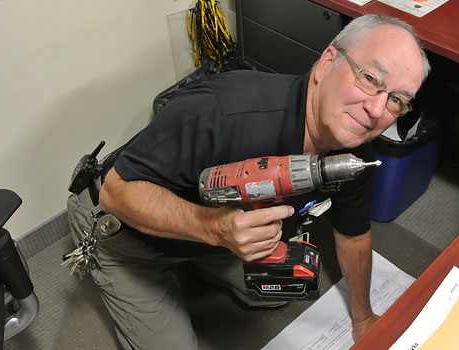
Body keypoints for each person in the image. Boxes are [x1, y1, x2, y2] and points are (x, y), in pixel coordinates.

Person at [67, 13, 429, 350]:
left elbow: (353, 234)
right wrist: (215, 229)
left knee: (285, 287)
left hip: (210, 225)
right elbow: (118, 191)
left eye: (397, 99)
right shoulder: (221, 110)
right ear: (326, 63)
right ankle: (166, 265)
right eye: (369, 79)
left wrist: (364, 317)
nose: (377, 110)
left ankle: (197, 260)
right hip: (124, 228)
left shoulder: (353, 152)